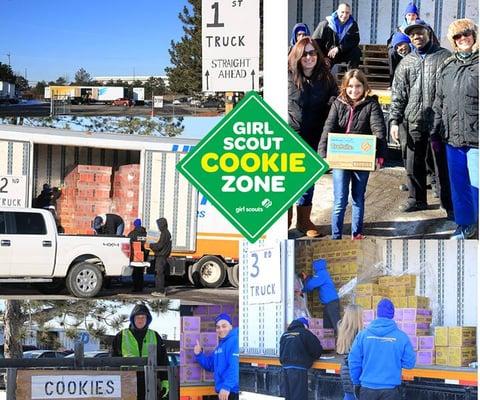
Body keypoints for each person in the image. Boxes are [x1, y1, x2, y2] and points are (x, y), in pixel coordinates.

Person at [390, 19, 453, 216]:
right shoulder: (406, 62)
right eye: (412, 34)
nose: (417, 36)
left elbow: (452, 89)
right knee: (413, 162)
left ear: (428, 33)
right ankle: (416, 200)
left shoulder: (445, 57)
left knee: (441, 163)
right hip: (413, 121)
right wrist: (394, 121)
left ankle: (447, 203)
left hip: (438, 122)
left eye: (420, 32)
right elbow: (398, 94)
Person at [319, 69, 387, 240]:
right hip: (341, 158)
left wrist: (379, 156)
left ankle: (356, 234)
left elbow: (379, 130)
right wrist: (323, 153)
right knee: (340, 201)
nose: (354, 90)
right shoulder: (338, 103)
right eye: (350, 86)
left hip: (361, 158)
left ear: (364, 87)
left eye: (358, 86)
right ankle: (336, 236)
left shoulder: (371, 105)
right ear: (345, 87)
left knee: (358, 198)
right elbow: (328, 127)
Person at [431, 19, 479, 239]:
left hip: (477, 138)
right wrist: (436, 131)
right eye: (458, 36)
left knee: (476, 187)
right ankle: (465, 225)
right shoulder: (448, 66)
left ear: (474, 35)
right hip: (453, 139)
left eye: (467, 34)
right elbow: (439, 101)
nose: (463, 39)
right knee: (459, 186)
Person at [288, 36, 338, 237]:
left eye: (312, 53)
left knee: (308, 179)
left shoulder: (325, 78)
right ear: (297, 56)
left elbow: (335, 99)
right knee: (288, 180)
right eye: (304, 53)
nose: (309, 57)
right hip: (289, 135)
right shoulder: (287, 76)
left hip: (314, 135)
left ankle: (303, 219)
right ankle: (285, 219)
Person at [348, 298, 416, 400]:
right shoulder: (402, 337)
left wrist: (356, 382)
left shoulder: (363, 335)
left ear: (377, 314)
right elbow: (410, 363)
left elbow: (353, 361)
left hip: (367, 389)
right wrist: (393, 360)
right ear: (392, 314)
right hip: (391, 390)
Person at [111, 303, 169, 400]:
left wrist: (165, 380)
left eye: (143, 317)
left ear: (148, 319)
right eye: (138, 317)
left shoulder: (155, 335)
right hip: (127, 382)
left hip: (150, 382)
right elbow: (113, 360)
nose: (140, 320)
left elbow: (163, 359)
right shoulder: (121, 336)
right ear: (133, 319)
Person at [194, 313, 239, 400]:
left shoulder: (235, 341)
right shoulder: (220, 346)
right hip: (225, 391)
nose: (221, 329)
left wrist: (227, 386)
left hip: (232, 391)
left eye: (224, 326)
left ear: (231, 326)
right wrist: (198, 354)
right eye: (218, 327)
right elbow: (210, 365)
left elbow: (236, 365)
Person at [279, 317, 323, 400]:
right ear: (304, 325)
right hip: (299, 369)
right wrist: (311, 358)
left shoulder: (284, 335)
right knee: (299, 396)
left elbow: (281, 352)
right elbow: (317, 350)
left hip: (285, 369)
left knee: (289, 396)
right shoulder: (305, 333)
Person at [312, 3, 361, 70]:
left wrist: (339, 48)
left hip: (342, 52)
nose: (344, 15)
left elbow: (355, 41)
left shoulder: (353, 25)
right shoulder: (325, 24)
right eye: (342, 12)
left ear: (350, 14)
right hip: (328, 54)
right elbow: (315, 42)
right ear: (337, 12)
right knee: (323, 68)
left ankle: (351, 76)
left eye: (347, 13)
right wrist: (322, 57)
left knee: (356, 51)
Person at [301, 259, 341, 333]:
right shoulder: (322, 274)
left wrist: (302, 290)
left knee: (336, 325)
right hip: (328, 304)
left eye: (314, 266)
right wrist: (308, 279)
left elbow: (311, 285)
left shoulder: (322, 274)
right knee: (327, 327)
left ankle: (342, 343)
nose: (313, 268)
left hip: (331, 303)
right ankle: (329, 343)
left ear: (316, 266)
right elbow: (314, 282)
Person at [386, 3, 419, 85]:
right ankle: (393, 82)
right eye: (409, 15)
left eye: (414, 15)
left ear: (417, 16)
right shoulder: (399, 29)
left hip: (415, 52)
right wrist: (397, 46)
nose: (411, 17)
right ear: (405, 16)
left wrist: (410, 47)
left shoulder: (422, 27)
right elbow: (390, 43)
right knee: (392, 52)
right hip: (401, 52)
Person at [336, 304, 364, 400]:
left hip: (345, 369)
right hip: (357, 371)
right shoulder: (361, 334)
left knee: (348, 395)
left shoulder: (342, 330)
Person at [150, 217, 172, 296]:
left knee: (159, 274)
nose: (158, 226)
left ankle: (160, 291)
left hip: (161, 256)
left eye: (159, 225)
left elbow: (159, 246)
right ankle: (159, 290)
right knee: (159, 273)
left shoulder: (164, 234)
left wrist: (151, 245)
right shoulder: (166, 233)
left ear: (162, 225)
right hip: (162, 256)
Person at [127, 218, 149, 292]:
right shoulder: (146, 234)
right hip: (145, 256)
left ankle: (136, 287)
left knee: (135, 272)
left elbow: (128, 244)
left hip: (136, 257)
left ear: (135, 225)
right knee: (141, 272)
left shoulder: (132, 234)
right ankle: (141, 287)